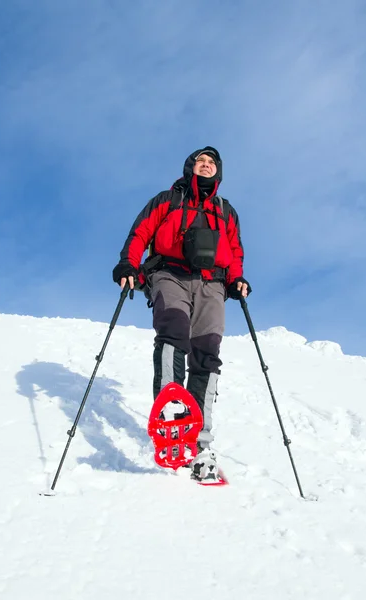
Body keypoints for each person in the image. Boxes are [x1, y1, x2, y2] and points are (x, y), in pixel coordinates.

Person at [113, 146, 251, 481]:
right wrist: (129, 264)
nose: (206, 166)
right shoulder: (166, 200)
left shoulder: (225, 210)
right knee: (174, 332)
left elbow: (234, 251)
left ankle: (200, 440)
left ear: (217, 173)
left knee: (207, 354)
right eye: (200, 162)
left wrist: (237, 279)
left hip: (211, 284)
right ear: (190, 168)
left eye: (211, 164)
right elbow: (141, 232)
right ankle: (171, 417)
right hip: (169, 275)